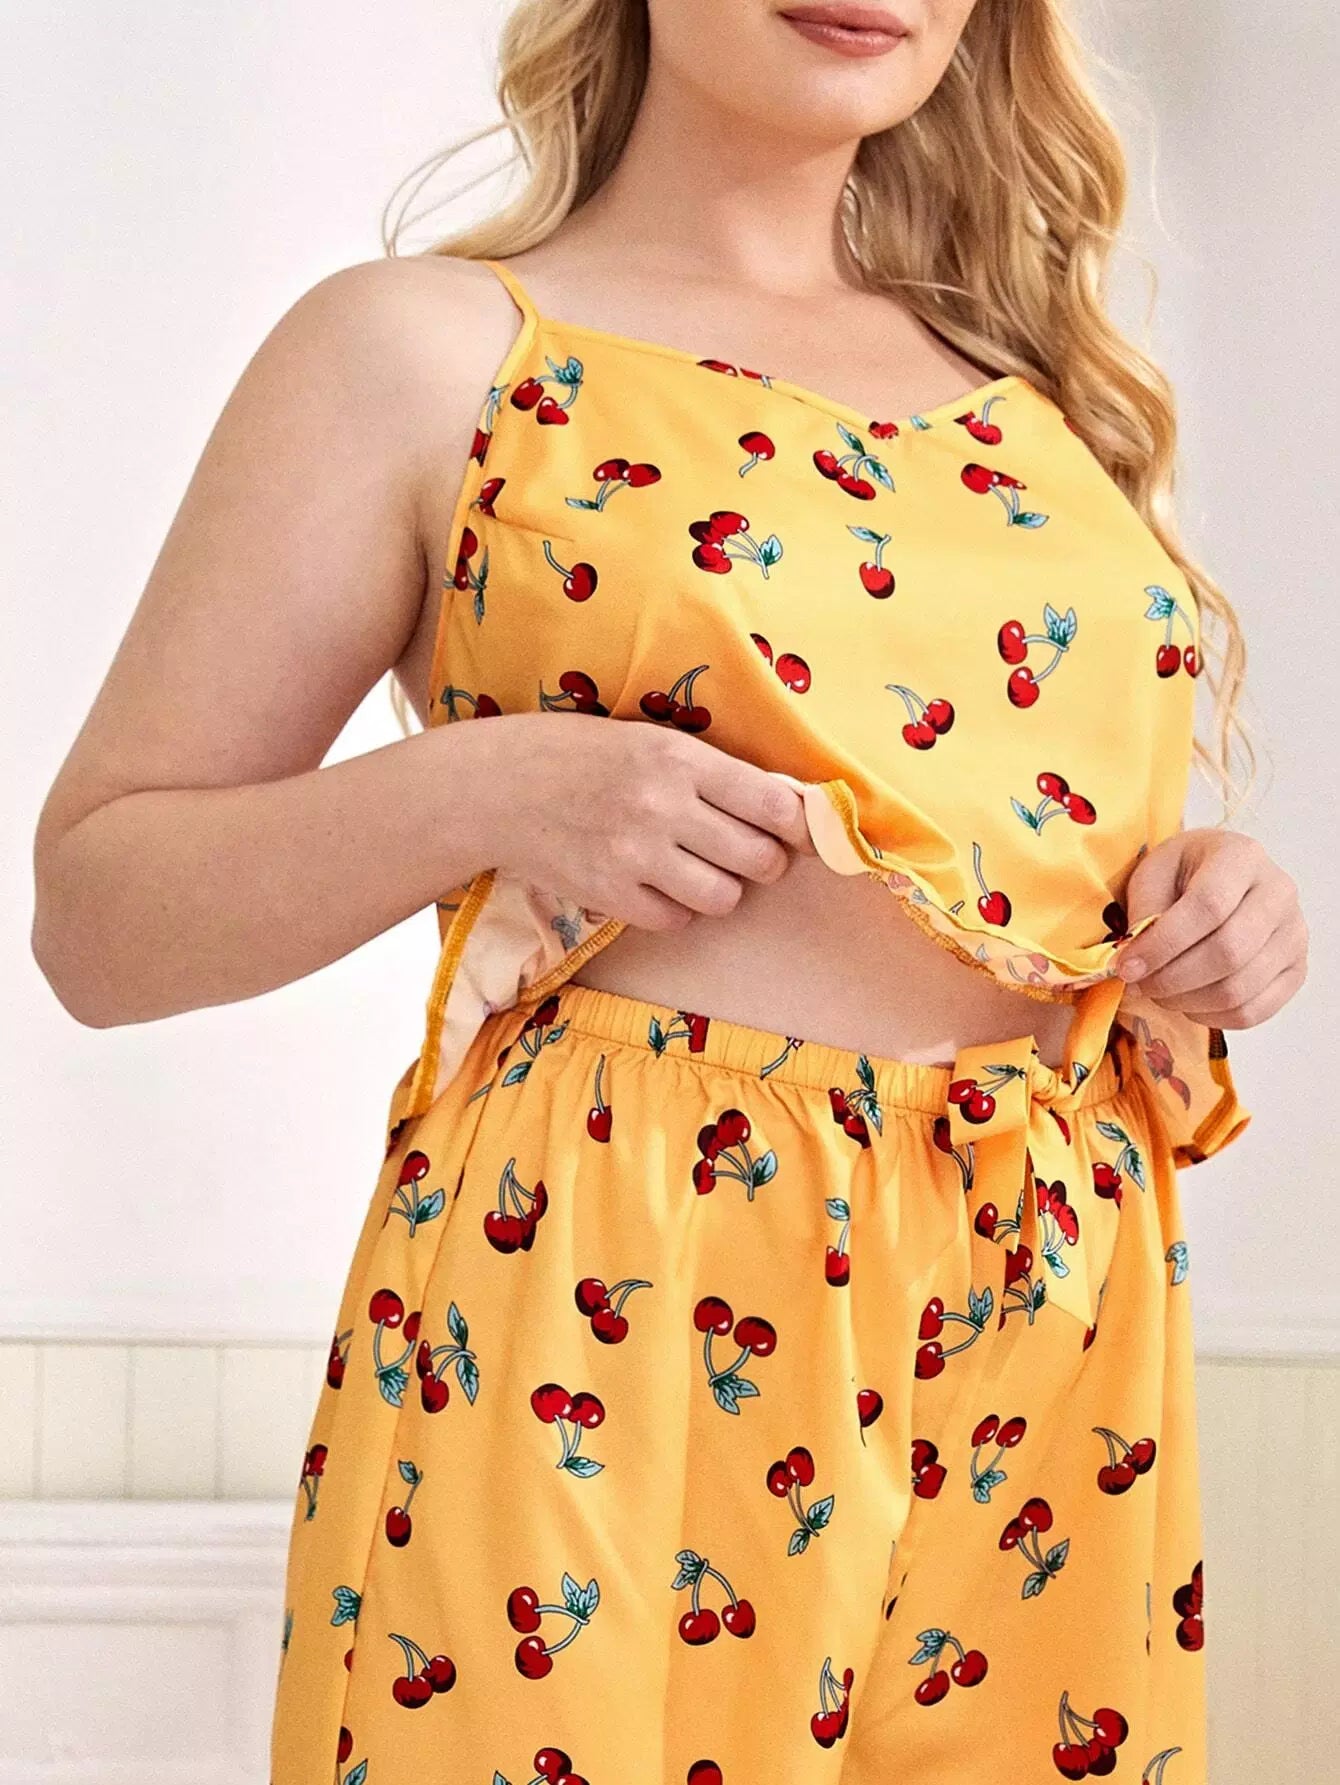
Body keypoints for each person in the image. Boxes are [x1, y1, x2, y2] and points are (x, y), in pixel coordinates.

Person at [31, 2, 1307, 1780]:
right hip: (617, 1298)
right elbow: (97, 916)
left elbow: (1044, 859)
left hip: (1055, 1310)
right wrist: (493, 789)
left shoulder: (1039, 403)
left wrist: (1216, 909)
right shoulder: (429, 352)